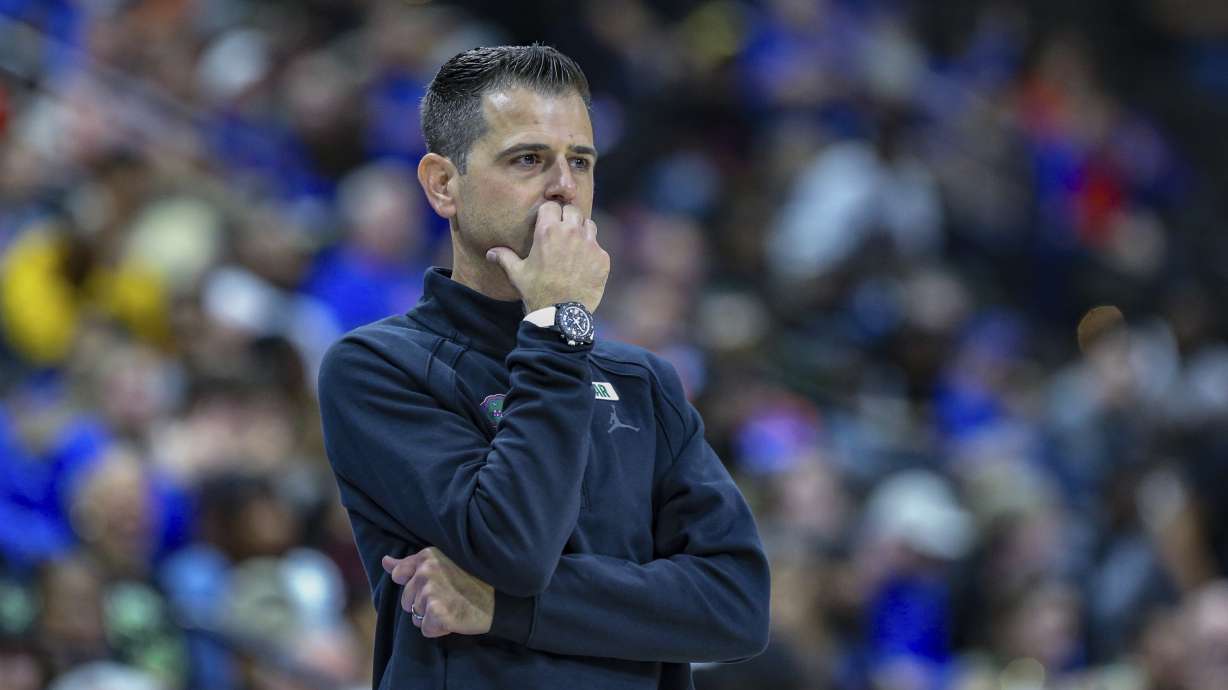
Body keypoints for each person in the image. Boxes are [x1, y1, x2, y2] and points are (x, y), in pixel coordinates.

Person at [317, 45, 770, 690]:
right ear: (443, 185)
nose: (563, 186)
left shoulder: (644, 383)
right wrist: (560, 318)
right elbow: (515, 546)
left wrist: (501, 608)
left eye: (579, 162)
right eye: (528, 158)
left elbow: (737, 606)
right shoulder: (378, 368)